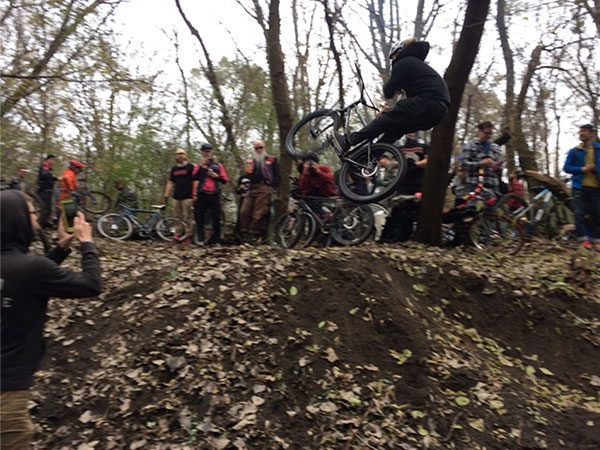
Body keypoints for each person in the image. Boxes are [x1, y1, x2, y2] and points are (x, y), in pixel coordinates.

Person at [0, 190, 101, 448]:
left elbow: (21, 281)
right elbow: (91, 285)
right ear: (18, 220)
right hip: (7, 392)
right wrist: (86, 243)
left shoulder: (25, 270)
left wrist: (60, 248)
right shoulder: (32, 270)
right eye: (32, 213)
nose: (37, 219)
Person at [333, 37, 450, 151]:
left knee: (386, 118)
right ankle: (366, 161)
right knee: (395, 129)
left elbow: (387, 92)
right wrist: (392, 107)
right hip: (438, 112)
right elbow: (409, 107)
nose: (393, 60)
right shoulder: (416, 65)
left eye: (393, 57)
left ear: (400, 52)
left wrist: (393, 90)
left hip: (430, 102)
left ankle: (349, 141)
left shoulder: (404, 62)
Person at [563, 123, 600, 250]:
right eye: (580, 131)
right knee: (579, 214)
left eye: (584, 131)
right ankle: (583, 239)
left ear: (591, 133)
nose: (581, 133)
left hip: (596, 187)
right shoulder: (574, 151)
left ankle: (597, 240)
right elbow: (567, 168)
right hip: (578, 187)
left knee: (597, 214)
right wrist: (582, 169)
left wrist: (596, 170)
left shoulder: (598, 150)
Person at [239, 140, 280, 243]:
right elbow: (247, 175)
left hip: (264, 187)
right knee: (244, 211)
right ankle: (245, 233)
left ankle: (254, 235)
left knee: (259, 212)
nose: (259, 150)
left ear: (264, 147)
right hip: (251, 187)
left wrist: (273, 187)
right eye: (256, 148)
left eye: (260, 147)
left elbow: (277, 175)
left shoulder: (272, 159)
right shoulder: (251, 161)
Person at [193, 143, 229, 246]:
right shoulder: (198, 166)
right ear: (202, 153)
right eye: (205, 151)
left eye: (208, 151)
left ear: (211, 152)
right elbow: (195, 178)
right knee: (199, 218)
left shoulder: (218, 165)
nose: (207, 153)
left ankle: (216, 240)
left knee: (216, 218)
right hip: (202, 194)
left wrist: (216, 176)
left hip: (214, 194)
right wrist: (202, 167)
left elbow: (225, 180)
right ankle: (200, 239)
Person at [461, 121, 503, 195]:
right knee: (471, 206)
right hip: (473, 184)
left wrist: (497, 166)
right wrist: (481, 164)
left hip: (492, 185)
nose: (488, 136)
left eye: (490, 134)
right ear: (479, 131)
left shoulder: (495, 147)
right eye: (486, 133)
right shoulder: (469, 145)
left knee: (492, 205)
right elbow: (464, 164)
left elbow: (501, 165)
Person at [163, 148, 196, 243]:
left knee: (188, 217)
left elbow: (195, 181)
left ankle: (188, 235)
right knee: (176, 217)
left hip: (188, 196)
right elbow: (170, 182)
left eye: (182, 154)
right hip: (176, 196)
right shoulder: (174, 169)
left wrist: (195, 194)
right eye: (178, 154)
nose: (180, 156)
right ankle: (177, 235)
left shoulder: (190, 167)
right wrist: (165, 196)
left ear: (186, 155)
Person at [37, 155, 58, 228]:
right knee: (44, 209)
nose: (53, 162)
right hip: (43, 191)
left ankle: (44, 224)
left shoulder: (49, 168)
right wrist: (54, 178)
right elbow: (44, 175)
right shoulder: (45, 167)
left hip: (48, 191)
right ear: (48, 159)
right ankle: (39, 225)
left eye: (54, 160)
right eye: (52, 160)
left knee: (48, 209)